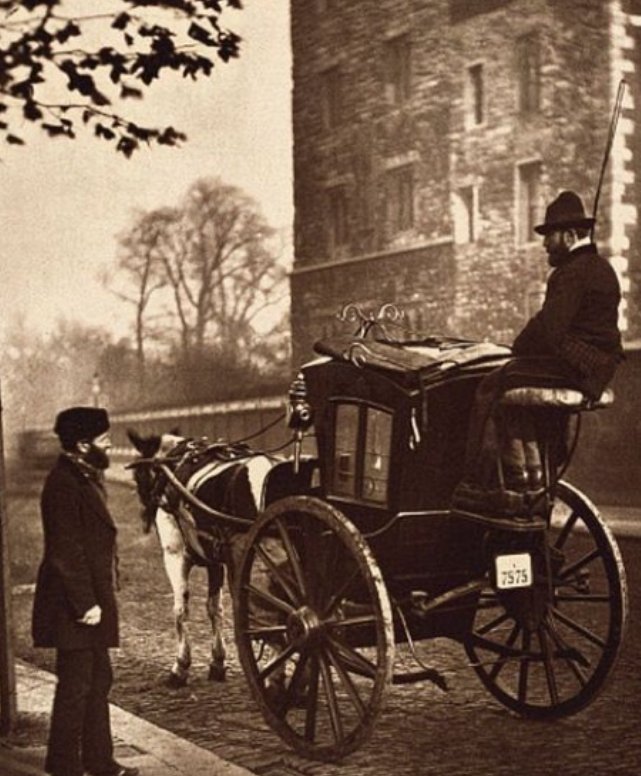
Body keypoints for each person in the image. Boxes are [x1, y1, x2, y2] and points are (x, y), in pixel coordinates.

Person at [452, 190, 624, 513]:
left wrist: (517, 349)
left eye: (550, 236)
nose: (545, 244)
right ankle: (537, 471)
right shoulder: (603, 269)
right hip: (597, 368)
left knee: (492, 384)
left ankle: (479, 481)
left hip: (574, 367)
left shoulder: (571, 273)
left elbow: (549, 329)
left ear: (570, 236)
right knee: (520, 389)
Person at [31, 406, 139, 776]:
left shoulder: (82, 475)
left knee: (98, 680)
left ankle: (98, 761)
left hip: (88, 600)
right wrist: (86, 603)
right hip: (73, 604)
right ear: (82, 444)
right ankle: (63, 765)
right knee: (76, 685)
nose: (108, 445)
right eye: (103, 439)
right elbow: (65, 550)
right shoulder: (64, 483)